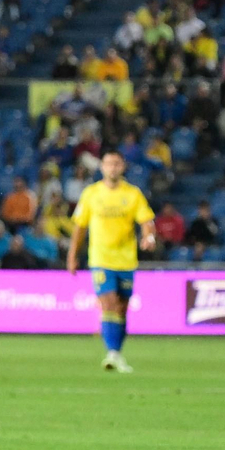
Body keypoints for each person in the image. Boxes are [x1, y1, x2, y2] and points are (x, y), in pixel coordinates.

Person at [67, 150, 155, 373]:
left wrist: (148, 236)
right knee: (108, 303)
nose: (112, 168)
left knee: (122, 309)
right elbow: (80, 227)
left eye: (116, 164)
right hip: (101, 259)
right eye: (108, 164)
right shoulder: (91, 194)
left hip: (126, 260)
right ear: (102, 167)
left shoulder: (132, 194)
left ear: (122, 167)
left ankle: (116, 351)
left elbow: (146, 220)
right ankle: (112, 353)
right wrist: (72, 256)